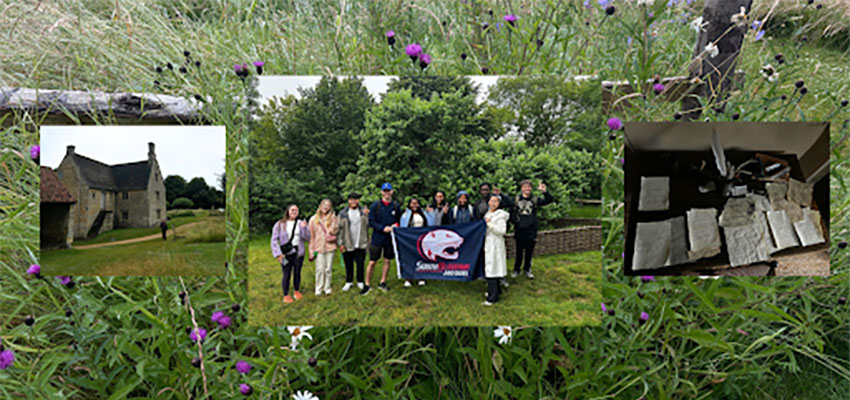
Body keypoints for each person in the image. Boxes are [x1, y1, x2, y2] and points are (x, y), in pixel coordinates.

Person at [360, 182, 401, 295]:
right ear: (382, 192)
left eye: (389, 191)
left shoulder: (396, 206)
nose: (387, 193)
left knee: (387, 260)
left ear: (392, 192)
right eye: (385, 191)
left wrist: (395, 226)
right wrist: (383, 228)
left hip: (390, 238)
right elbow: (371, 221)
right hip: (377, 237)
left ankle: (383, 282)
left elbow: (399, 220)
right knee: (373, 261)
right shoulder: (376, 205)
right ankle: (367, 284)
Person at [510, 180, 553, 279]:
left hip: (531, 229)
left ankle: (527, 269)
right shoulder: (516, 199)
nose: (527, 189)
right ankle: (516, 269)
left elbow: (549, 200)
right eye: (525, 187)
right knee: (519, 250)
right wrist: (515, 222)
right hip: (520, 229)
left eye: (528, 187)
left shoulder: (535, 199)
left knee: (529, 250)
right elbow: (510, 210)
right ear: (521, 188)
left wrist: (545, 192)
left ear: (531, 188)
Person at [271, 205, 311, 303]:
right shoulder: (280, 224)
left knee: (297, 272)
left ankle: (296, 291)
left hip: (299, 253)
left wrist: (305, 228)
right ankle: (286, 294)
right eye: (292, 210)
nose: (294, 212)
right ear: (288, 211)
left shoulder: (301, 223)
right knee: (286, 273)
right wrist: (278, 254)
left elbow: (307, 238)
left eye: (296, 210)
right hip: (285, 254)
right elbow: (274, 240)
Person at [338, 192, 369, 292]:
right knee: (348, 263)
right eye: (351, 199)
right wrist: (341, 243)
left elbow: (369, 225)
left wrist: (368, 215)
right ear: (348, 201)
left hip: (360, 242)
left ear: (358, 201)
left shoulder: (363, 212)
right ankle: (349, 281)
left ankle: (360, 281)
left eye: (356, 199)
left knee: (360, 263)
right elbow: (339, 229)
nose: (354, 201)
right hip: (348, 242)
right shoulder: (343, 213)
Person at [308, 199, 339, 296]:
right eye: (324, 205)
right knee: (320, 269)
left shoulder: (333, 218)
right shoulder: (313, 219)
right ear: (320, 206)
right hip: (318, 247)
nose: (326, 207)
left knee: (328, 269)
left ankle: (327, 287)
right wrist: (311, 250)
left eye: (328, 205)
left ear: (330, 207)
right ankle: (318, 287)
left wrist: (334, 222)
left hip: (330, 246)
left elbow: (334, 232)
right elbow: (311, 237)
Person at [400, 197, 432, 287]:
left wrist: (431, 213)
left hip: (421, 239)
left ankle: (421, 277)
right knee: (409, 258)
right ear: (409, 205)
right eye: (412, 203)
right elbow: (403, 226)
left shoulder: (424, 214)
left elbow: (430, 224)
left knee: (421, 257)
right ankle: (408, 278)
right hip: (409, 240)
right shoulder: (405, 215)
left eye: (416, 203)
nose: (414, 205)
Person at [483, 195, 509, 305]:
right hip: (489, 243)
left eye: (495, 201)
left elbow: (502, 230)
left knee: (492, 269)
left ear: (499, 203)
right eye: (491, 201)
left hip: (495, 244)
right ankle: (495, 291)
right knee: (493, 267)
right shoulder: (488, 213)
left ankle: (492, 298)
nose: (493, 203)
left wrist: (489, 224)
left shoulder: (500, 215)